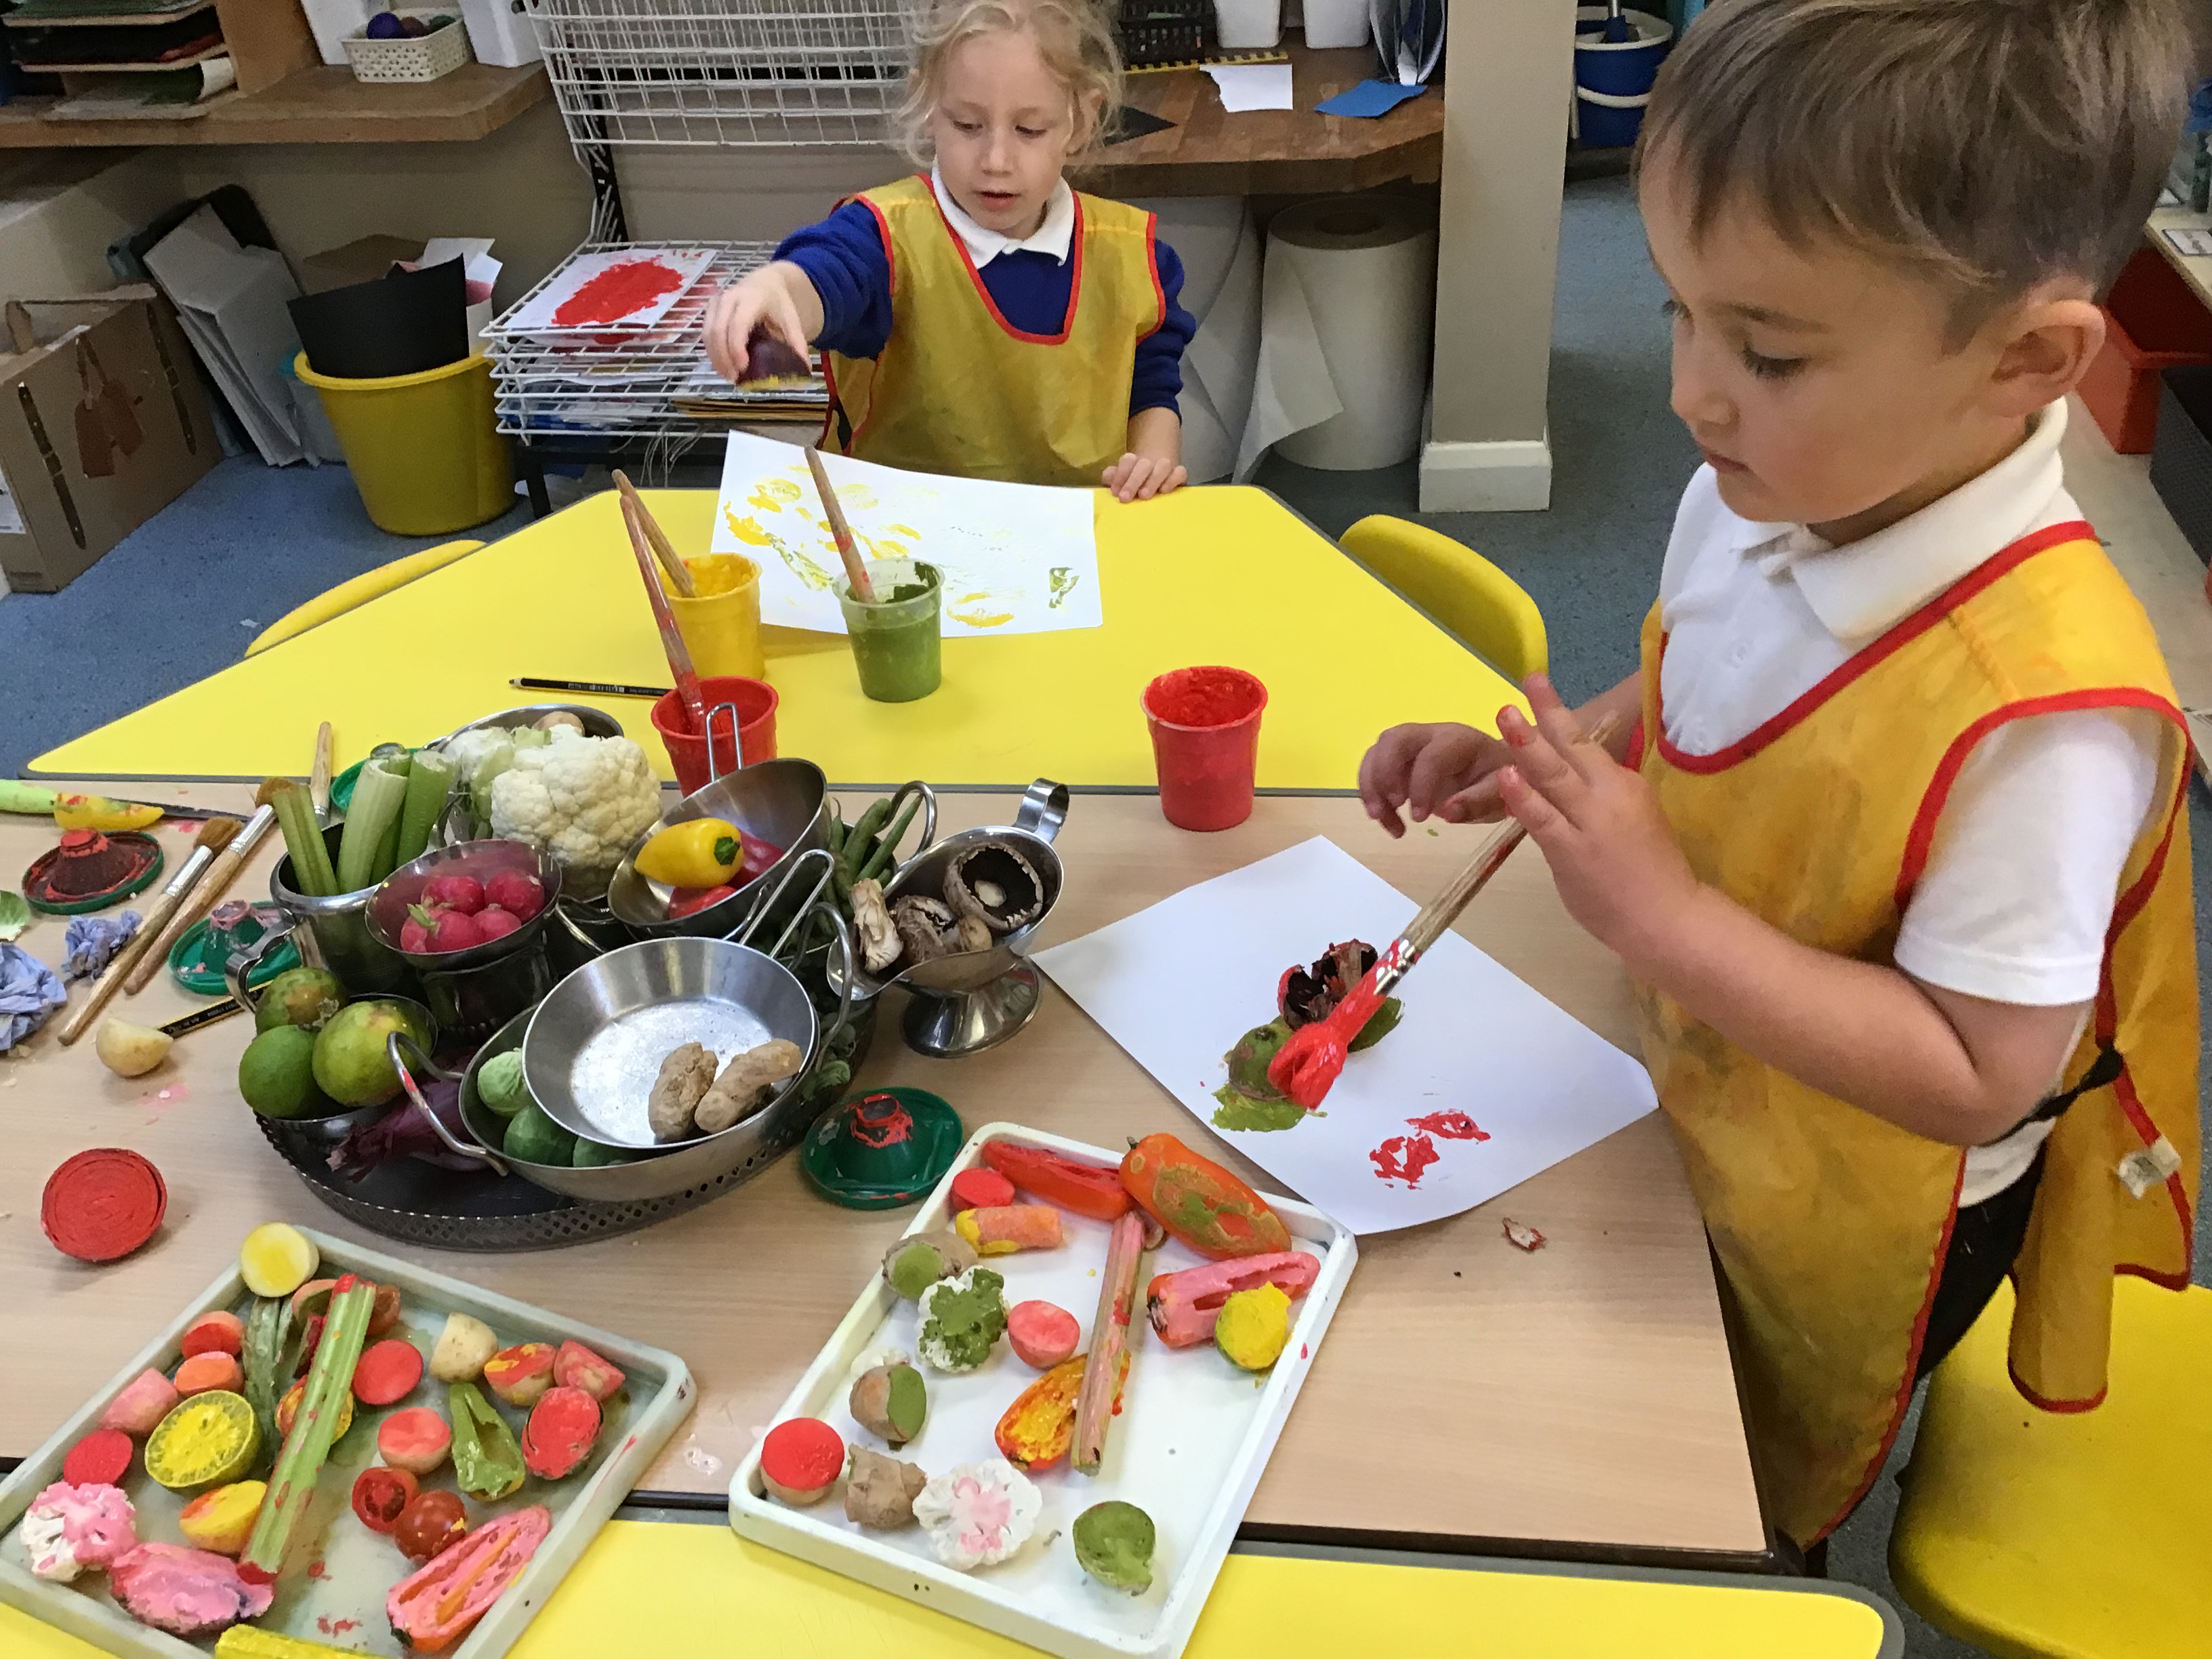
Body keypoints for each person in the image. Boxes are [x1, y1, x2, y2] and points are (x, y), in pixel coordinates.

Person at [1358, 0, 2200, 1557]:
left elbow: (1979, 1070)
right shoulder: (1774, 482)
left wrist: (1665, 920)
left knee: (1718, 1477)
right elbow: (1712, 670)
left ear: (2026, 359)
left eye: (1765, 350)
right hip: (1708, 1078)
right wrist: (1563, 755)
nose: (1691, 391)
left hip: (1861, 1194)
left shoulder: (2044, 721)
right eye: (1677, 309)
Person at [702, 0, 1195, 502]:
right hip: (899, 528)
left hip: (1078, 529)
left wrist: (1151, 467)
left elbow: (1151, 393)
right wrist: (777, 288)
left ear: (1082, 121)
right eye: (966, 125)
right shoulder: (885, 238)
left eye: (1029, 130)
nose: (996, 160)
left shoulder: (1136, 260)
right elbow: (828, 274)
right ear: (928, 107)